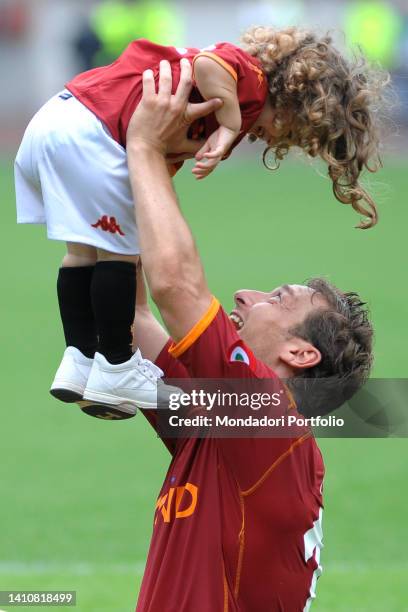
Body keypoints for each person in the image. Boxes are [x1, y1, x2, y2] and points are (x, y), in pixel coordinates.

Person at [14, 26, 383, 419]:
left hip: (60, 121)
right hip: (92, 131)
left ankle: (80, 359)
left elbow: (139, 310)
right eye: (289, 132)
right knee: (117, 254)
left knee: (84, 253)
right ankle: (115, 365)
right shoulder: (251, 82)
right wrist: (226, 124)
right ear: (292, 96)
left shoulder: (216, 410)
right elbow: (210, 65)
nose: (272, 140)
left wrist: (155, 152)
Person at [123, 60, 374, 610]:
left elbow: (175, 289)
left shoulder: (266, 420)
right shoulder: (232, 424)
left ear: (300, 353)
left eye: (276, 299)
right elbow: (134, 316)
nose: (245, 297)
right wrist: (140, 172)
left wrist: (143, 149)